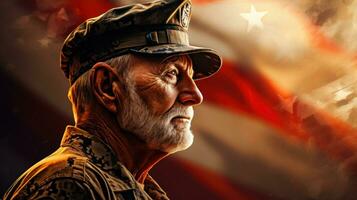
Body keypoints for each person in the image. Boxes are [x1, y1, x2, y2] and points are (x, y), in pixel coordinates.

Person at [3, 0, 222, 199]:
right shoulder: (71, 183)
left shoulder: (131, 188)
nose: (195, 95)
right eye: (171, 74)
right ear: (106, 86)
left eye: (191, 78)